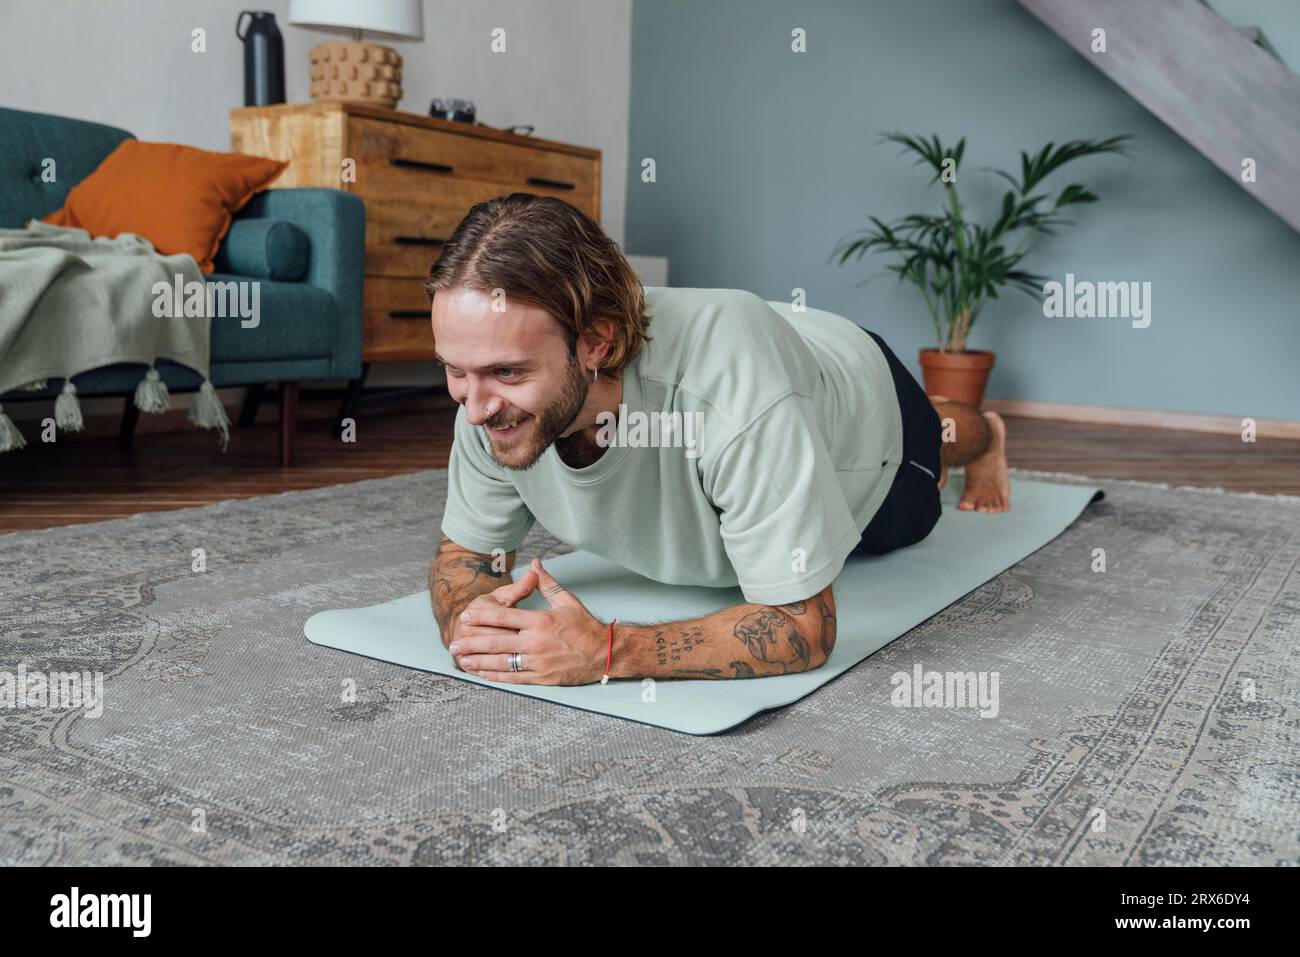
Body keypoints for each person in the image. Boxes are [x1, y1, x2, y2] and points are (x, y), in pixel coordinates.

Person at [427, 193, 1010, 686]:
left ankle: (985, 439)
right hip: (770, 364)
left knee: (940, 438)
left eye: (507, 373)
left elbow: (804, 629)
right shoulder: (489, 393)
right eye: (454, 369)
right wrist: (469, 619)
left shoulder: (734, 399)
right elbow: (466, 557)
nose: (474, 408)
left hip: (861, 401)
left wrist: (608, 651)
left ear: (595, 344)